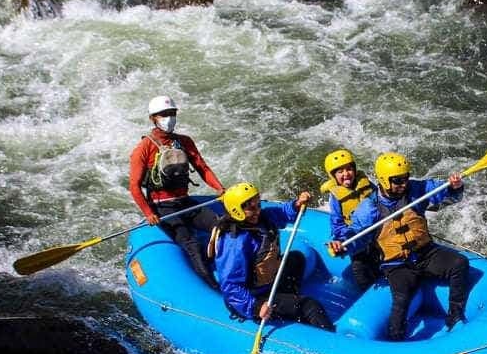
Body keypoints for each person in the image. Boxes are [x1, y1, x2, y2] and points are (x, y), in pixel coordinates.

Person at [329, 152, 468, 341]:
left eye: (405, 178)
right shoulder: (369, 208)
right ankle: (394, 340)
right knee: (401, 300)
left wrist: (454, 188)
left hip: (426, 253)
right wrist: (343, 245)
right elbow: (356, 234)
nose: (403, 184)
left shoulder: (416, 189)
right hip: (397, 264)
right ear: (384, 181)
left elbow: (445, 194)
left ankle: (455, 316)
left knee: (460, 262)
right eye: (397, 180)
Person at [128, 95, 224, 289]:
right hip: (162, 208)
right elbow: (134, 187)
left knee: (222, 226)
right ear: (153, 118)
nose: (169, 118)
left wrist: (220, 188)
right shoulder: (143, 149)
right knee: (192, 245)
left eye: (172, 113)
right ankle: (213, 288)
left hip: (185, 202)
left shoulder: (184, 142)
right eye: (164, 114)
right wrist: (149, 214)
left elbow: (202, 168)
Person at [210, 182, 335, 331]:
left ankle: (288, 304)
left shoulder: (262, 218)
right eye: (251, 208)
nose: (257, 211)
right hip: (252, 298)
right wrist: (256, 307)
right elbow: (231, 285)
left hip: (268, 284)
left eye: (258, 205)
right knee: (311, 306)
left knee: (296, 258)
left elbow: (281, 213)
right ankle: (332, 341)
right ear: (237, 211)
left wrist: (297, 204)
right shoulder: (235, 243)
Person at [320, 149, 378, 291]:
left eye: (349, 169)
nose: (346, 174)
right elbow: (337, 223)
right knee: (360, 270)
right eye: (340, 172)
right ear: (333, 176)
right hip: (355, 237)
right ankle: (368, 292)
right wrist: (340, 239)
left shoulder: (367, 185)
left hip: (377, 233)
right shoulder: (335, 197)